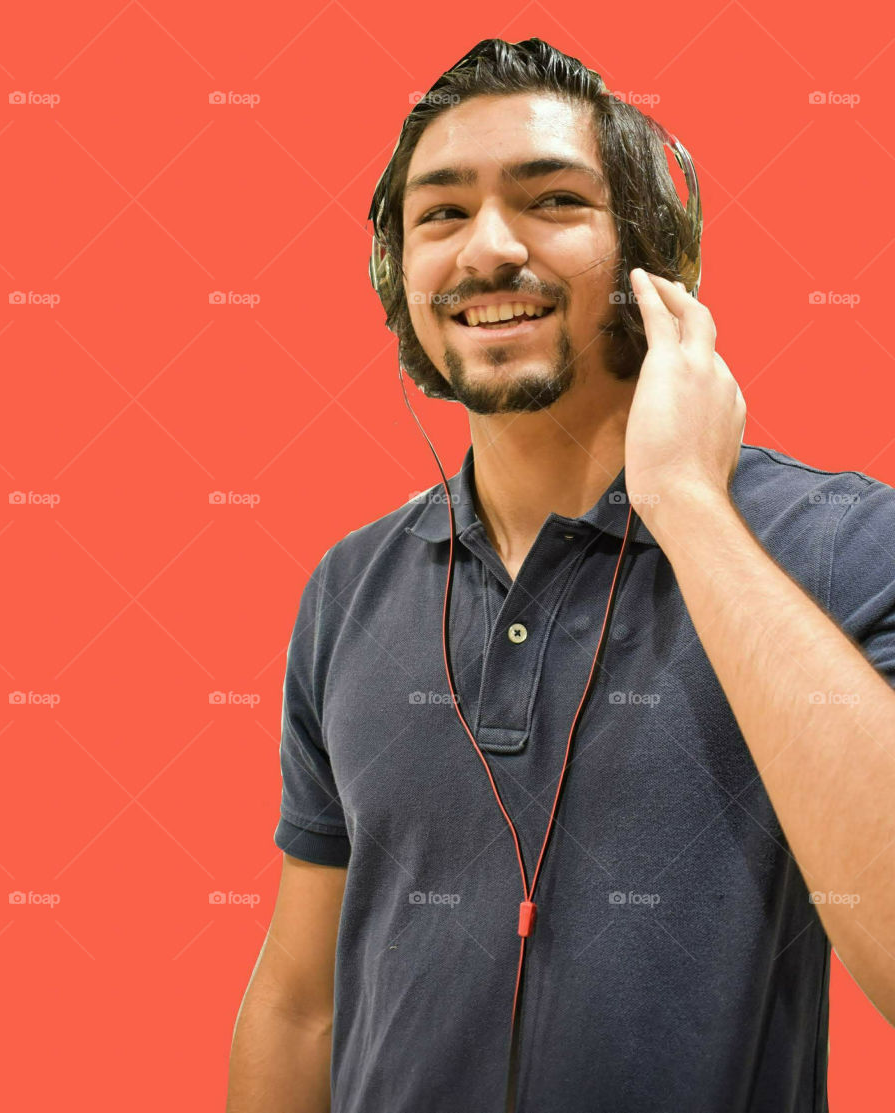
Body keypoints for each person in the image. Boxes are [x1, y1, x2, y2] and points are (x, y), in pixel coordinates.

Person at [227, 37, 895, 1113]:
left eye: (550, 200)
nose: (488, 248)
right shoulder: (349, 589)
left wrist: (686, 505)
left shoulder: (836, 543)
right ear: (400, 281)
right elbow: (301, 1007)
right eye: (440, 214)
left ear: (653, 260)